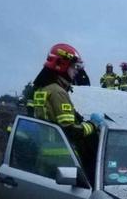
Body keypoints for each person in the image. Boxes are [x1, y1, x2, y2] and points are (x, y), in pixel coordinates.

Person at [31, 43, 97, 174]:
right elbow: (70, 130)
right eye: (74, 67)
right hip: (62, 156)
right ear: (62, 66)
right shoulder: (57, 92)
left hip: (45, 152)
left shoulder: (42, 89)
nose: (76, 71)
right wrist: (93, 126)